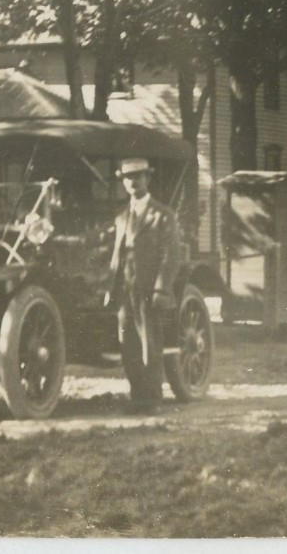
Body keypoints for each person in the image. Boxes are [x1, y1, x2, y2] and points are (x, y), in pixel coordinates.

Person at [110, 156, 184, 412]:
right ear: (123, 182)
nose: (133, 182)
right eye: (128, 178)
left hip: (149, 290)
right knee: (127, 344)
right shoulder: (121, 217)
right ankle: (137, 398)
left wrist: (161, 289)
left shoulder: (163, 215)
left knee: (150, 345)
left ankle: (152, 400)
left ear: (148, 179)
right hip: (125, 289)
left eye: (138, 176)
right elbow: (117, 255)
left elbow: (171, 256)